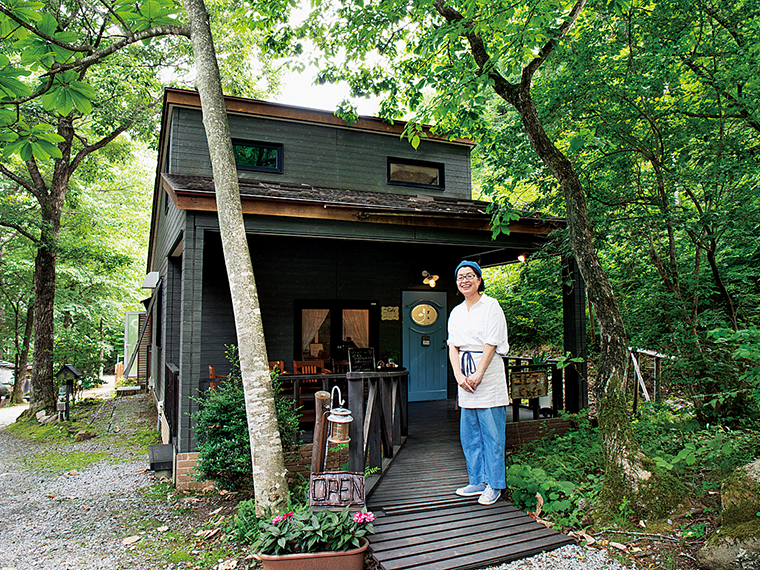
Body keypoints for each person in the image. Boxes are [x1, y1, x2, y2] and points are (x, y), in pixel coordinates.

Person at [447, 260, 509, 505]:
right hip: (465, 374)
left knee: (492, 432)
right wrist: (459, 377)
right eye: (460, 276)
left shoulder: (491, 306)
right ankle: (477, 481)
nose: (465, 280)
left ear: (479, 279)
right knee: (470, 433)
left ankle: (495, 484)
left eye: (470, 275)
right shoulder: (457, 311)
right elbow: (453, 346)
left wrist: (478, 374)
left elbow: (492, 342)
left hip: (488, 372)